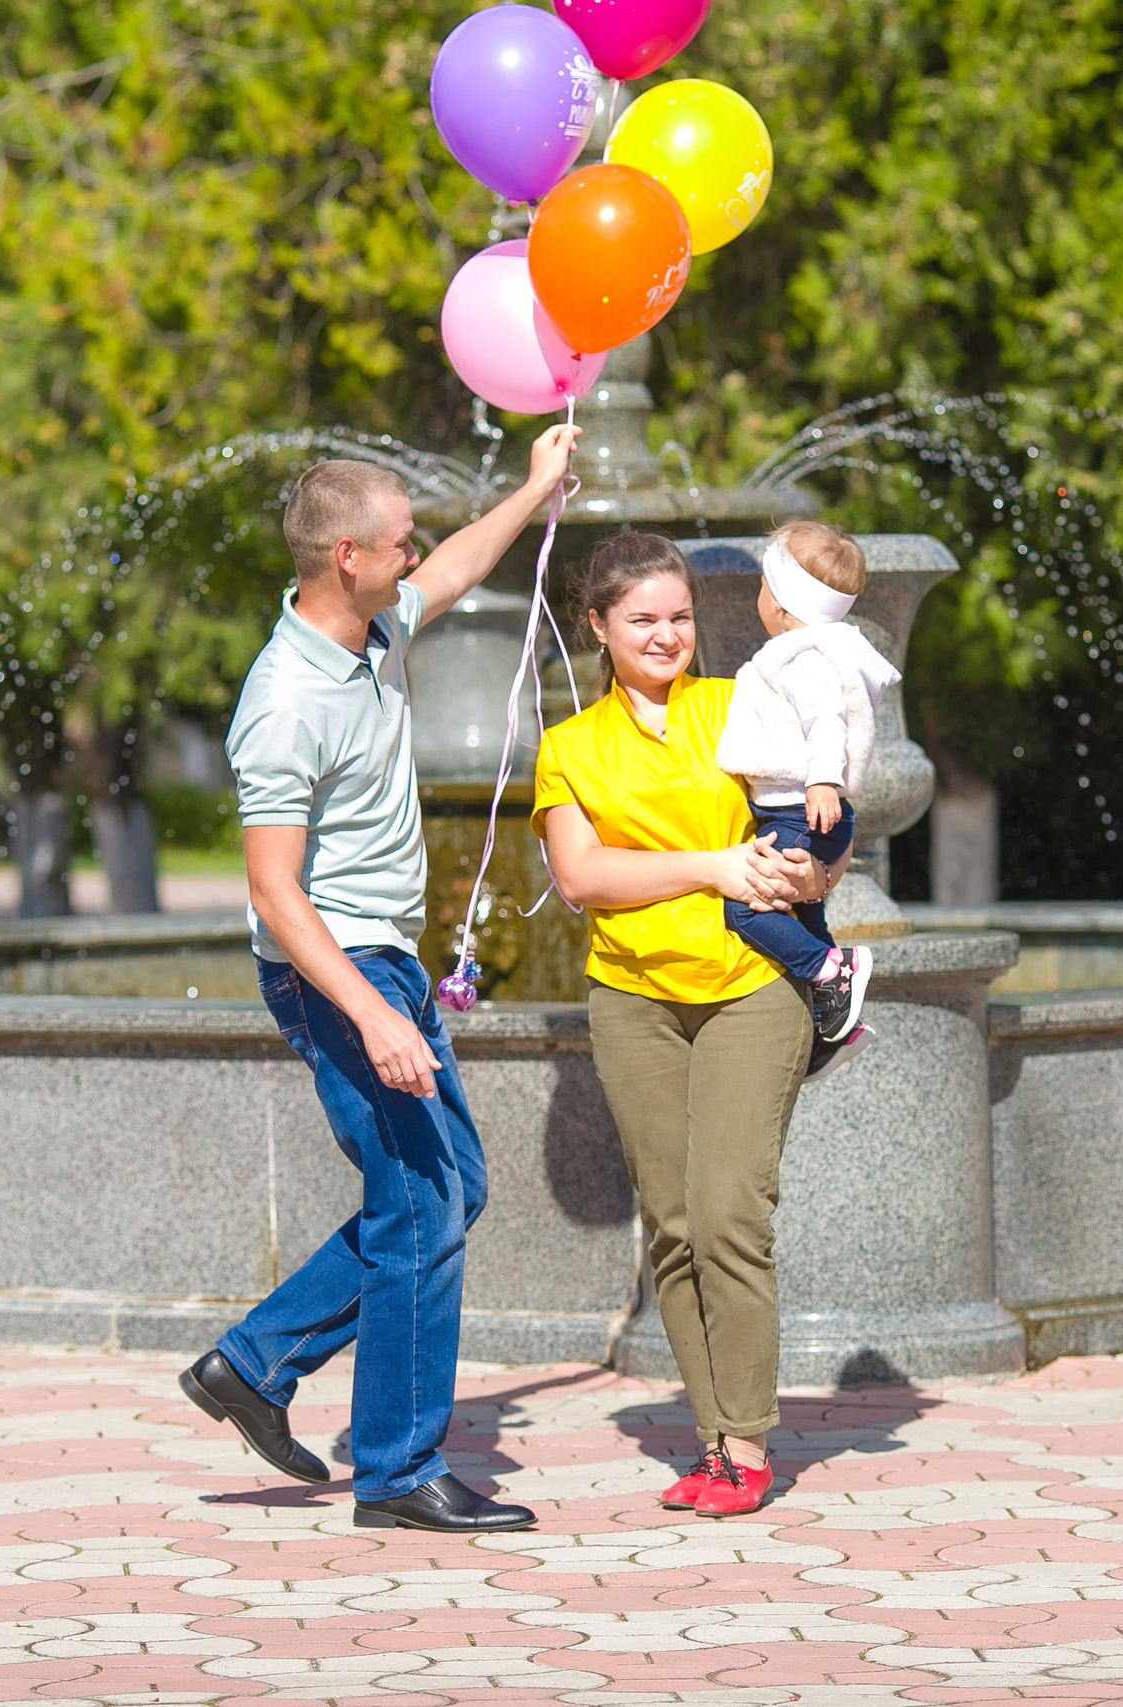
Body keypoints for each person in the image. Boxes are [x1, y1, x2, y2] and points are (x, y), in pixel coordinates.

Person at [181, 426, 579, 1535]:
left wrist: (535, 487)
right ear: (345, 555)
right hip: (336, 971)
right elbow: (274, 893)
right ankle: (398, 1471)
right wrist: (369, 1014)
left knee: (452, 1191)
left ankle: (254, 1362)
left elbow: (454, 569)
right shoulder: (283, 701)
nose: (418, 553)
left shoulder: (376, 625)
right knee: (418, 1206)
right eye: (400, 541)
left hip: (384, 960)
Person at [533, 532, 853, 1523]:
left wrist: (818, 872)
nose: (666, 635)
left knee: (728, 1217)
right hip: (633, 998)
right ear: (598, 625)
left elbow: (819, 817)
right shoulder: (569, 746)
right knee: (672, 1227)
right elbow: (582, 876)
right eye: (642, 619)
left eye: (679, 616)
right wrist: (713, 868)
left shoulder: (739, 701)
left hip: (750, 985)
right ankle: (714, 1439)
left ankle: (746, 1443)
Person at [714, 521, 900, 1044]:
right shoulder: (819, 651)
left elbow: (826, 721)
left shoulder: (804, 660)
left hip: (799, 812)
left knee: (746, 908)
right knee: (806, 916)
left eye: (762, 585)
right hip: (806, 814)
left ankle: (829, 969)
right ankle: (831, 1020)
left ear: (778, 603)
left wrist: (821, 780)